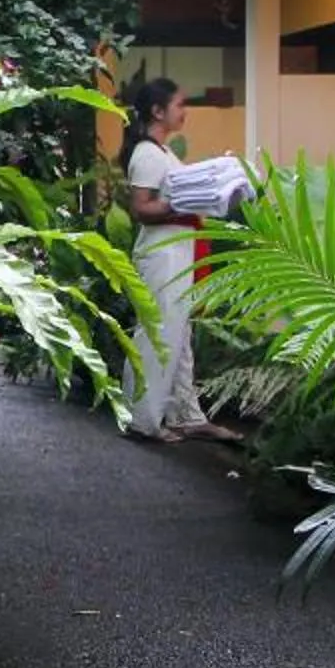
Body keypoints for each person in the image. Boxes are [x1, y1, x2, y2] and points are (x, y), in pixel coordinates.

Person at [119, 77, 239, 445]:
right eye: (179, 105)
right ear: (158, 111)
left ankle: (186, 415)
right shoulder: (146, 154)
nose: (184, 112)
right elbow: (141, 209)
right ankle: (143, 418)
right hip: (162, 251)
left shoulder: (163, 153)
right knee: (159, 332)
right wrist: (183, 201)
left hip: (177, 249)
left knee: (179, 335)